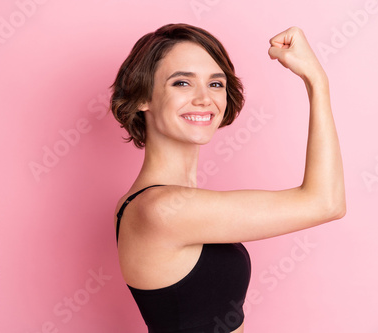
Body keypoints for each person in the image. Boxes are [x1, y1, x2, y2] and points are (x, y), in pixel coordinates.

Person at [111, 23, 346, 333]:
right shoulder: (161, 209)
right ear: (143, 98)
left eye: (216, 84)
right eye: (182, 83)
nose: (204, 98)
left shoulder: (158, 203)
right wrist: (317, 81)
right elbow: (326, 203)